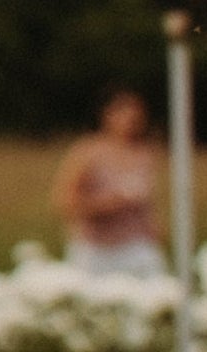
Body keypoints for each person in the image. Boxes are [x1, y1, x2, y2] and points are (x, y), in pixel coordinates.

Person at [59, 88, 168, 278]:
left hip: (136, 243)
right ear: (107, 115)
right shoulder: (88, 152)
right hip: (96, 248)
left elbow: (148, 201)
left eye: (136, 115)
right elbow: (65, 202)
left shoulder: (144, 154)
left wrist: (154, 226)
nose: (131, 120)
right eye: (124, 113)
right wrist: (107, 204)